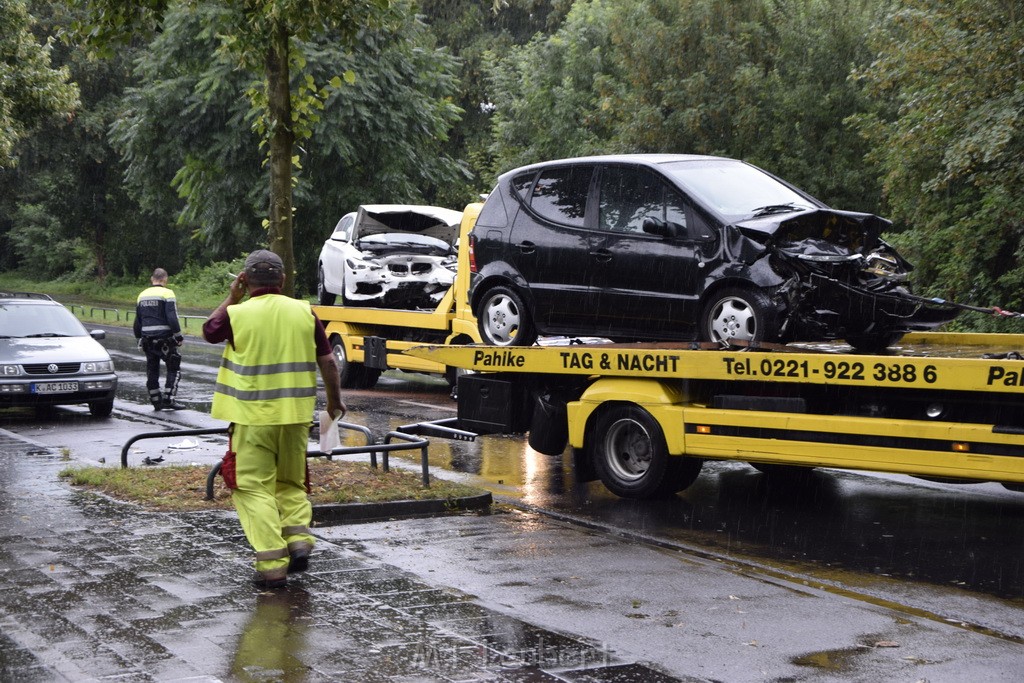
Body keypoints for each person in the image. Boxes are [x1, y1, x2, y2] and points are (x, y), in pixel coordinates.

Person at [203, 249, 345, 589]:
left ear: (245, 279)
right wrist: (334, 404)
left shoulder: (238, 315)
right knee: (290, 483)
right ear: (283, 280)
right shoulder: (303, 312)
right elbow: (328, 363)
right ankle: (299, 543)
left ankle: (272, 564)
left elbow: (209, 330)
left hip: (253, 420)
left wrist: (231, 297)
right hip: (295, 418)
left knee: (253, 488)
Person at [134, 267, 185, 410]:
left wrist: (139, 338)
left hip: (147, 340)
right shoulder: (167, 293)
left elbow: (137, 320)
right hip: (165, 339)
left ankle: (156, 400)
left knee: (152, 370)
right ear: (165, 279)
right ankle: (169, 399)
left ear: (152, 279)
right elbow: (171, 317)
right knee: (174, 367)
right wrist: (178, 335)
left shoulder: (142, 295)